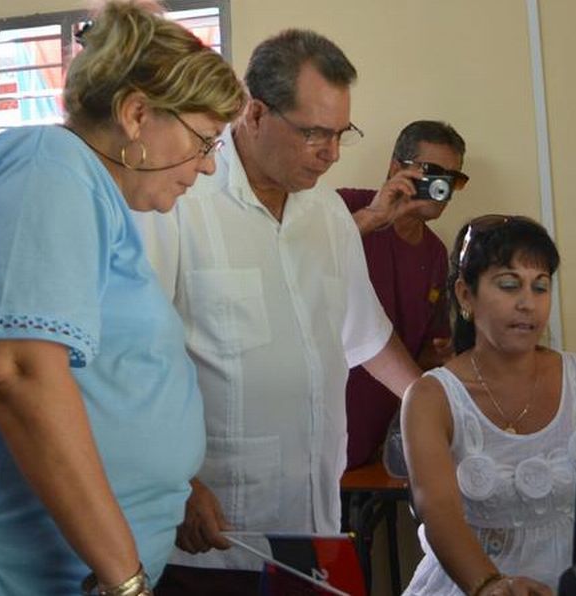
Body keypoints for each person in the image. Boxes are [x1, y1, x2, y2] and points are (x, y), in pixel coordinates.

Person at [135, 29, 421, 595]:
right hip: (211, 542)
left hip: (313, 534)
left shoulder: (330, 218)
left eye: (341, 134)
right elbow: (134, 365)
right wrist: (177, 483)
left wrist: (445, 408)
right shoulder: (181, 204)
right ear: (255, 112)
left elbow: (366, 340)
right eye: (314, 132)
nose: (332, 153)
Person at [0, 2, 246, 594]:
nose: (208, 168)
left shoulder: (92, 193)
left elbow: (110, 381)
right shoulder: (47, 164)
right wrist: (125, 578)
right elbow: (18, 372)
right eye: (205, 142)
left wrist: (174, 483)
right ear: (137, 114)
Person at [401, 215, 576, 596]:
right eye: (510, 285)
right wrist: (491, 585)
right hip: (470, 585)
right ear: (465, 295)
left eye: (540, 287)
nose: (528, 304)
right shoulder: (431, 397)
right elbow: (439, 511)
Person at [338, 120, 469, 470]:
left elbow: (423, 352)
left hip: (383, 434)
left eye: (453, 178)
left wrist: (446, 355)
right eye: (432, 172)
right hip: (325, 427)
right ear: (397, 168)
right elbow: (300, 259)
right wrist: (374, 217)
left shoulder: (437, 254)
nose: (443, 186)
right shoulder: (346, 206)